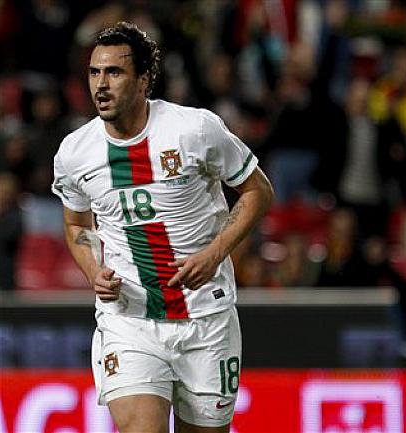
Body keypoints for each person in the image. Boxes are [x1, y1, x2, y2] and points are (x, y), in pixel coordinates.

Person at [51, 22, 273, 433]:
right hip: (129, 320)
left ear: (143, 81)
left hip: (205, 316)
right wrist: (93, 270)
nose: (101, 84)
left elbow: (257, 190)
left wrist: (215, 253)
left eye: (114, 72)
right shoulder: (75, 152)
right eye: (94, 72)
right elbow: (76, 222)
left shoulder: (195, 129)